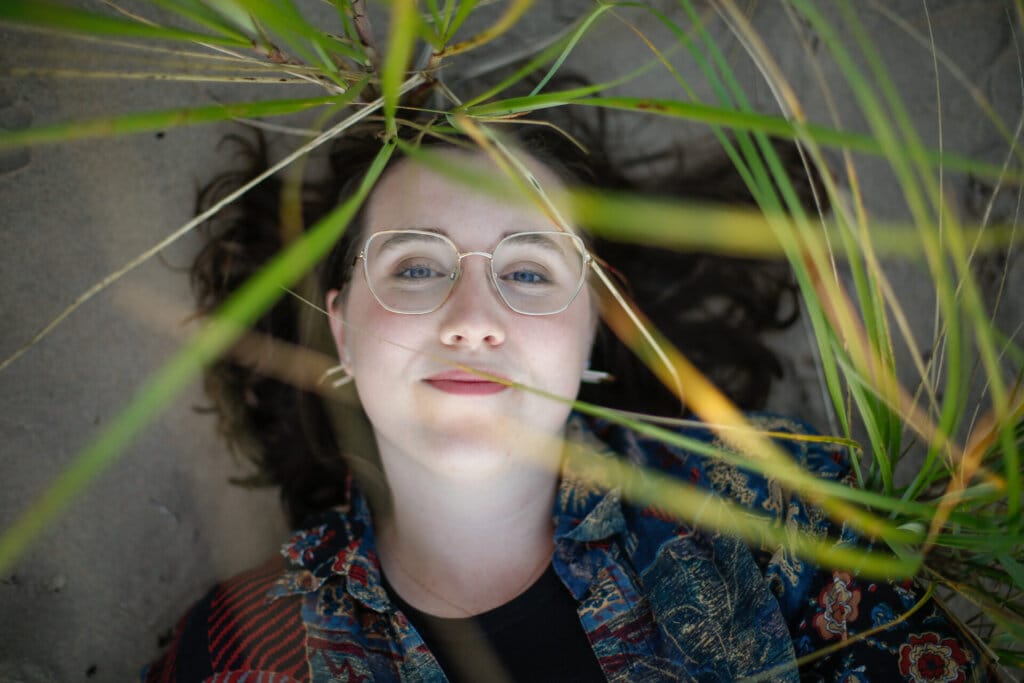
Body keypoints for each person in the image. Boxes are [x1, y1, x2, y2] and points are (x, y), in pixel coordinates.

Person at [144, 121, 992, 682]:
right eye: (415, 267)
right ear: (341, 327)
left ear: (594, 328)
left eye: (526, 272)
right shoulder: (233, 649)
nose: (471, 321)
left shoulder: (784, 508)